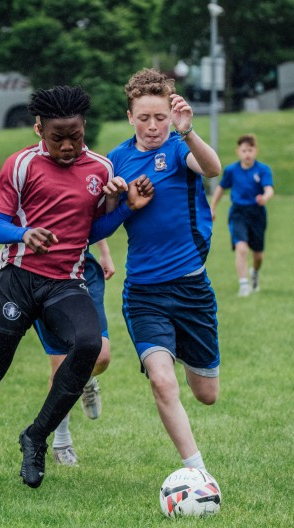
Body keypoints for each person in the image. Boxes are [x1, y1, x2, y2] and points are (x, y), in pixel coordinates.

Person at [0, 86, 152, 490]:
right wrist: (24, 233)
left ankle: (35, 436)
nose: (69, 145)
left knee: (89, 345)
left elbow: (90, 231)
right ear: (39, 129)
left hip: (65, 284)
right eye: (58, 138)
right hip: (16, 282)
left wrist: (126, 208)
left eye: (76, 135)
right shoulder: (20, 166)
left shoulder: (101, 169)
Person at [91, 68, 222, 477]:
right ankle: (197, 472)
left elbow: (213, 169)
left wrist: (188, 132)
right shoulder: (116, 160)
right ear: (130, 116)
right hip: (144, 293)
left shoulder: (181, 148)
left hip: (192, 290)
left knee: (206, 395)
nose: (152, 127)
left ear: (172, 115)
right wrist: (120, 204)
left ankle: (186, 350)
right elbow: (98, 223)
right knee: (163, 381)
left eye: (160, 118)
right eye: (144, 118)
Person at [34, 239, 113, 466]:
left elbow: (86, 208)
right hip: (43, 270)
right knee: (60, 365)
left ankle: (84, 378)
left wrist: (104, 251)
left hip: (82, 268)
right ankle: (62, 442)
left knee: (101, 356)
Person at [210, 134, 274, 297]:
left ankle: (255, 273)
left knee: (258, 255)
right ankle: (244, 285)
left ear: (256, 151)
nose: (247, 154)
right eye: (244, 150)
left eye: (250, 150)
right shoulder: (231, 170)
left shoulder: (263, 169)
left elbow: (269, 189)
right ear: (238, 151)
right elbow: (220, 189)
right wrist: (213, 208)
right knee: (241, 248)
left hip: (257, 214)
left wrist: (264, 198)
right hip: (238, 213)